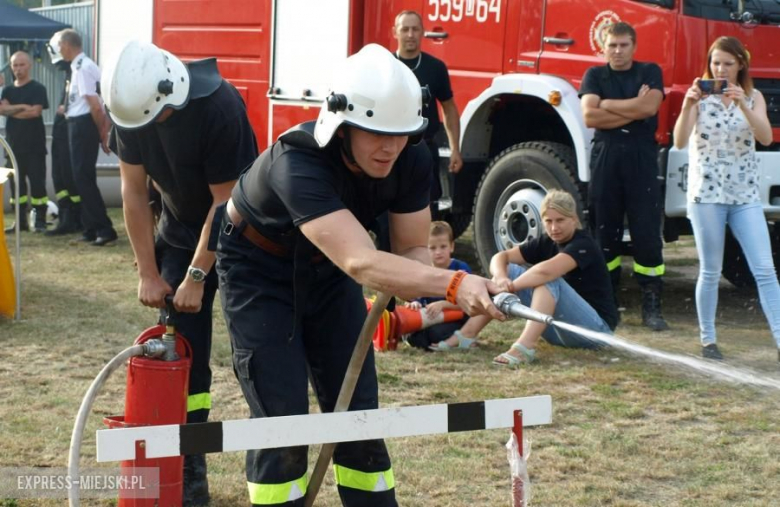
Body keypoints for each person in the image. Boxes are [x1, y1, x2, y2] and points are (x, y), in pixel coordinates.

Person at [214, 44, 504, 506]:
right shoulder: (298, 160)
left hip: (327, 271)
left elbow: (410, 247)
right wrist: (454, 284)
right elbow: (361, 262)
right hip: (260, 270)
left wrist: (452, 284)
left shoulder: (410, 156)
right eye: (375, 133)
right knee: (282, 421)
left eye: (401, 133)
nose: (390, 147)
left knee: (357, 413)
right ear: (342, 124)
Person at [102, 40, 258, 505]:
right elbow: (132, 191)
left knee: (256, 353)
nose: (148, 129)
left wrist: (195, 276)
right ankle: (189, 463)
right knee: (181, 352)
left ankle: (274, 450)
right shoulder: (130, 110)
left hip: (245, 234)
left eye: (156, 119)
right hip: (179, 227)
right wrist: (150, 273)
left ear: (170, 97)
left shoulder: (219, 108)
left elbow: (225, 203)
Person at [672, 36, 778, 361]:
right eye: (716, 62)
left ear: (741, 65)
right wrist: (688, 105)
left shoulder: (754, 96)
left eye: (728, 63)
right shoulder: (700, 97)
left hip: (744, 194)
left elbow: (766, 137)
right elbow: (677, 142)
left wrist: (743, 103)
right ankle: (708, 341)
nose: (721, 69)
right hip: (706, 195)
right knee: (710, 270)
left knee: (765, 269)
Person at [437, 190, 618, 366]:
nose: (554, 227)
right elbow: (501, 257)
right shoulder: (547, 241)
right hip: (560, 331)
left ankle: (524, 348)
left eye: (560, 220)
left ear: (574, 219)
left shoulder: (584, 244)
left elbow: (545, 272)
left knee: (548, 279)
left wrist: (509, 287)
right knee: (512, 269)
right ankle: (466, 335)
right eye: (548, 221)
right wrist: (501, 277)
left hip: (595, 333)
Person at [579, 21, 668, 331]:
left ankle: (651, 303)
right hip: (606, 156)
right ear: (603, 46)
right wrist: (634, 106)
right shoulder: (594, 75)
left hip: (642, 156)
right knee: (605, 229)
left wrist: (608, 105)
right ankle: (606, 300)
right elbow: (589, 115)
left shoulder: (649, 71)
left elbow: (650, 108)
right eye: (612, 45)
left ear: (634, 46)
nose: (617, 51)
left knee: (646, 230)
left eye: (623, 45)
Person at [392, 9, 463, 209]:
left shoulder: (436, 68)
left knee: (425, 210)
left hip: (424, 150)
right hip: (390, 150)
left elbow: (449, 109)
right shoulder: (385, 66)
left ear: (423, 32)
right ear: (395, 32)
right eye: (404, 29)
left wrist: (455, 149)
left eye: (415, 29)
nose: (410, 34)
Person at [53, 29, 118, 246]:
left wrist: (102, 132)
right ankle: (90, 227)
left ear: (68, 45)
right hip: (76, 124)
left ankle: (104, 228)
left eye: (60, 45)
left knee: (84, 178)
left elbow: (95, 105)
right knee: (79, 178)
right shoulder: (77, 66)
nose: (59, 50)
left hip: (83, 126)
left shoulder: (82, 68)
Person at [0, 51, 49, 233]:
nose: (18, 69)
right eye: (15, 65)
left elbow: (35, 112)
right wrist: (21, 107)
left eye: (21, 65)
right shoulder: (8, 90)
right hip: (13, 147)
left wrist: (11, 110)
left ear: (29, 66)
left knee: (37, 185)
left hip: (34, 146)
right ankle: (20, 222)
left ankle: (40, 221)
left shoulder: (37, 89)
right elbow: (2, 111)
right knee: (16, 188)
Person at [404, 221, 472, 350]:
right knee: (411, 331)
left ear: (452, 247)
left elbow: (468, 303)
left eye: (443, 246)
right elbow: (419, 295)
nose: (438, 252)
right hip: (432, 318)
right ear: (426, 249)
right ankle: (419, 339)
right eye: (433, 248)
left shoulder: (460, 269)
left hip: (457, 318)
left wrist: (443, 304)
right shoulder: (425, 270)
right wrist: (415, 303)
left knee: (435, 333)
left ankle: (460, 339)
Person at [45, 32, 83, 236]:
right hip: (62, 129)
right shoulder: (70, 71)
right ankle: (68, 216)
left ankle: (74, 218)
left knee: (67, 176)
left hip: (69, 129)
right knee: (59, 175)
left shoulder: (78, 69)